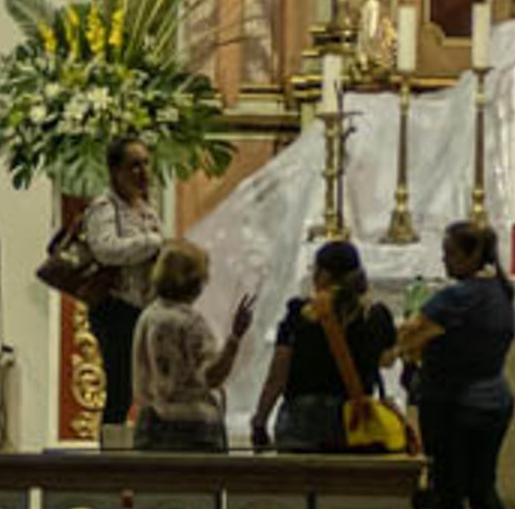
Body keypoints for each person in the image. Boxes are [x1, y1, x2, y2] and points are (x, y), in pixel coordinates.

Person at [398, 218, 515, 509]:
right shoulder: (502, 292)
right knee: (483, 488)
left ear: (471, 255)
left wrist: (408, 344)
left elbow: (409, 335)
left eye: (449, 253)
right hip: (494, 400)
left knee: (447, 491)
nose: (444, 259)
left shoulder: (455, 297)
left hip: (450, 402)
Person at [60, 140, 167, 447]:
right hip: (115, 307)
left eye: (145, 163)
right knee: (120, 388)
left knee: (141, 387)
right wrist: (151, 244)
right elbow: (105, 250)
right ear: (115, 171)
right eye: (134, 165)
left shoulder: (146, 210)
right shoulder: (104, 207)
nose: (142, 172)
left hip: (143, 308)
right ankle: (110, 457)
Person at [253, 237, 400, 453]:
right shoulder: (376, 315)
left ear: (323, 275)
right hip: (353, 423)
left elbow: (278, 375)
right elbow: (387, 361)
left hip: (302, 421)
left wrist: (260, 421)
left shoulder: (301, 313)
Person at [129, 239, 258, 450]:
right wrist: (234, 338)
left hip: (149, 424)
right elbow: (212, 376)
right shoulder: (190, 323)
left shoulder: (147, 317)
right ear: (195, 282)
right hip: (192, 429)